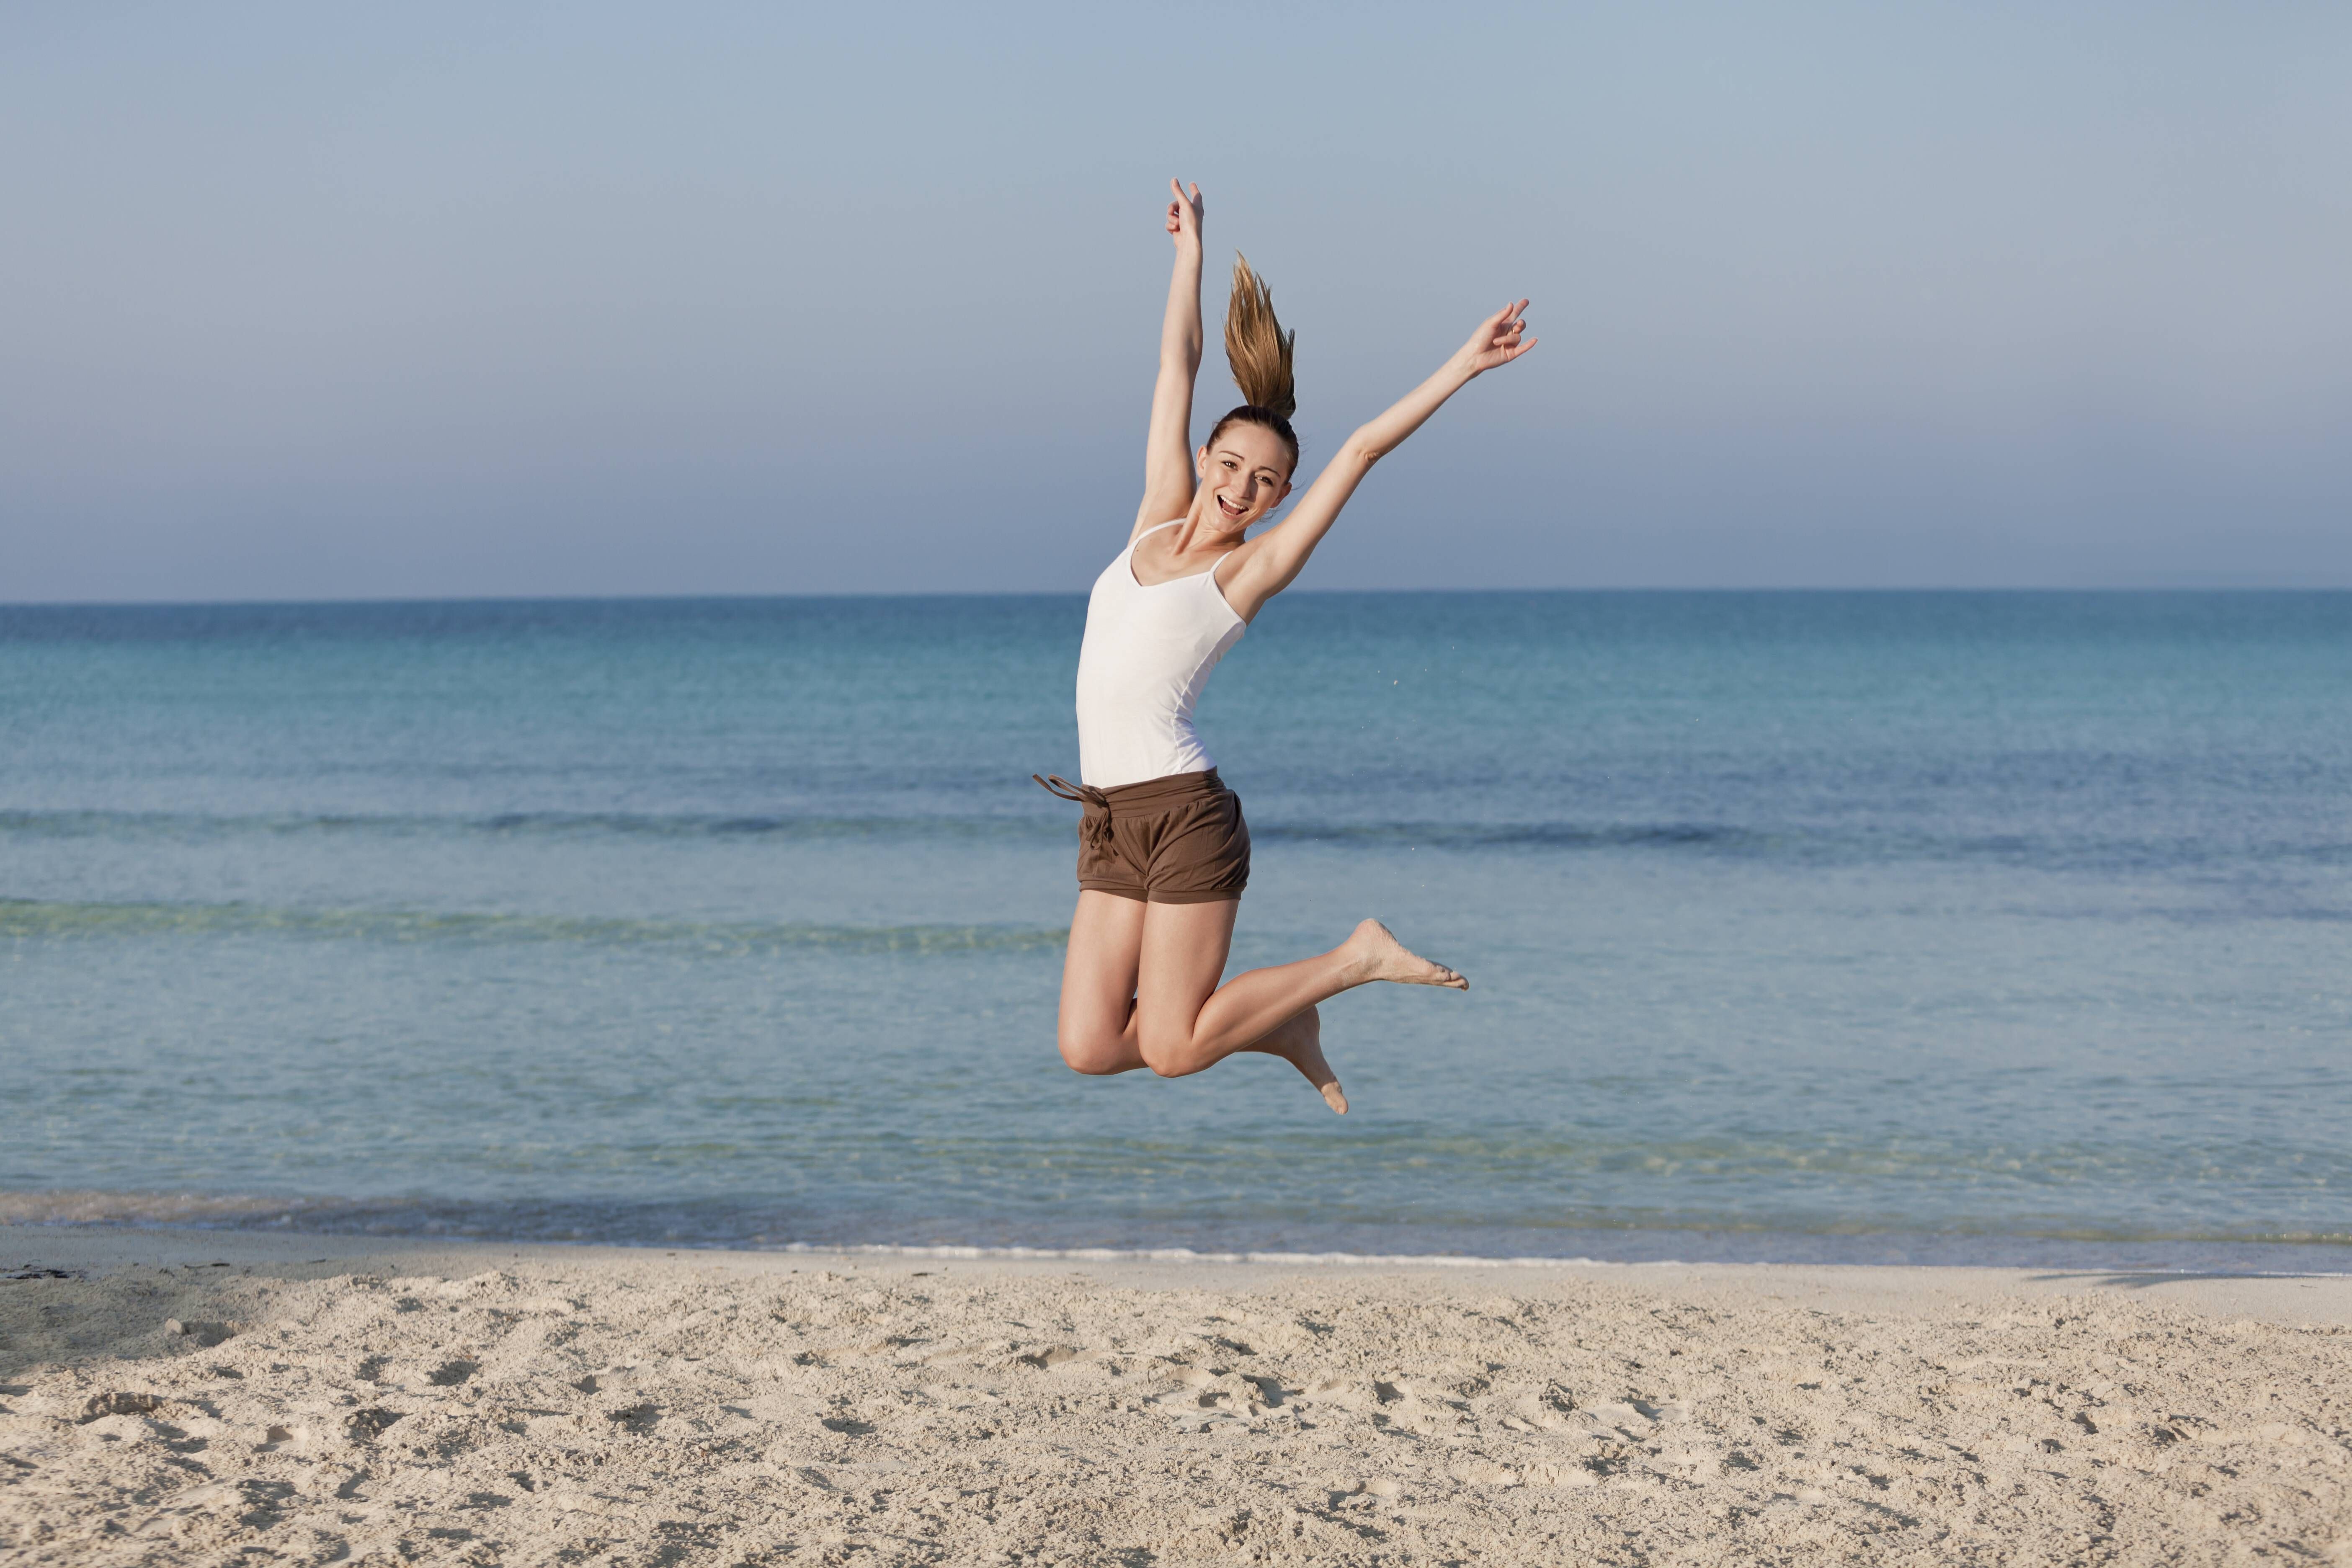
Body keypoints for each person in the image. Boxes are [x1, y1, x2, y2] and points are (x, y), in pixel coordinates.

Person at [1036, 178, 1535, 1113]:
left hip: (1186, 820)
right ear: (1207, 459)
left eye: (1266, 483)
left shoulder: (1247, 574)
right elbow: (1175, 367)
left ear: (1276, 500)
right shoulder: (1151, 518)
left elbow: (1356, 452)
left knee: (1176, 1048)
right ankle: (1278, 1024)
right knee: (1089, 1045)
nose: (1240, 488)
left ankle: (1354, 958)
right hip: (1109, 816)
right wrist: (1189, 256)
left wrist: (1462, 367)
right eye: (1230, 465)